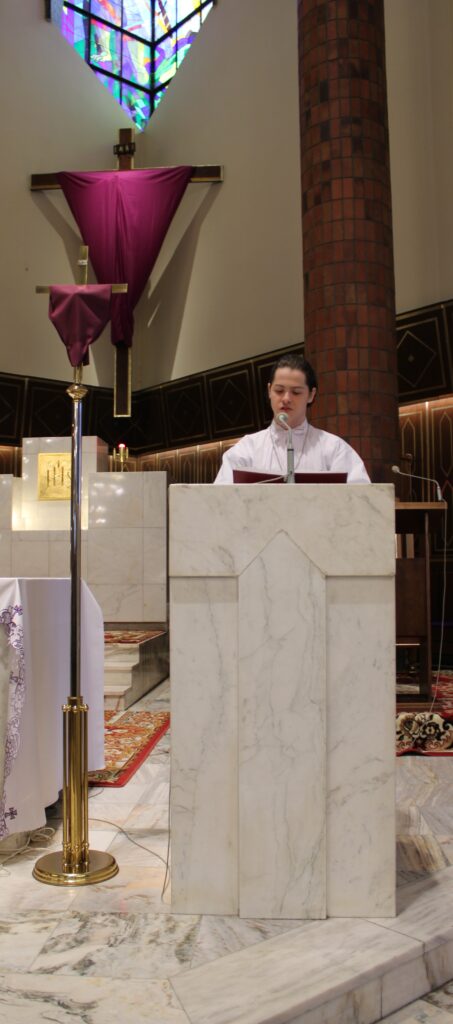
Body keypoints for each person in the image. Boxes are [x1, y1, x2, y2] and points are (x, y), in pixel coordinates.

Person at [214, 353, 370, 484]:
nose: (286, 398)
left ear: (311, 395)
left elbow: (361, 500)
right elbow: (219, 501)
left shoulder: (334, 449)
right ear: (269, 391)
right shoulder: (247, 449)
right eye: (279, 390)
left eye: (296, 392)